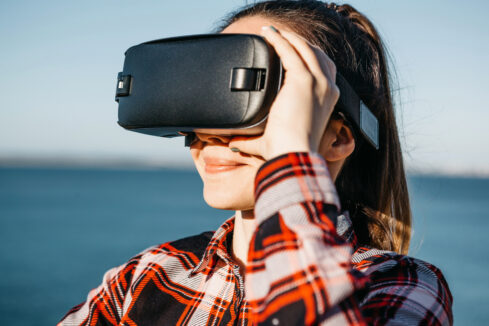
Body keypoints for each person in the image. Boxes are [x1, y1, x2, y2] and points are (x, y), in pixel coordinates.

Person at [59, 1, 453, 325]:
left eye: (254, 97)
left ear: (337, 136)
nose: (211, 132)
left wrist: (290, 158)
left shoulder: (402, 286)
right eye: (211, 96)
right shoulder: (148, 276)